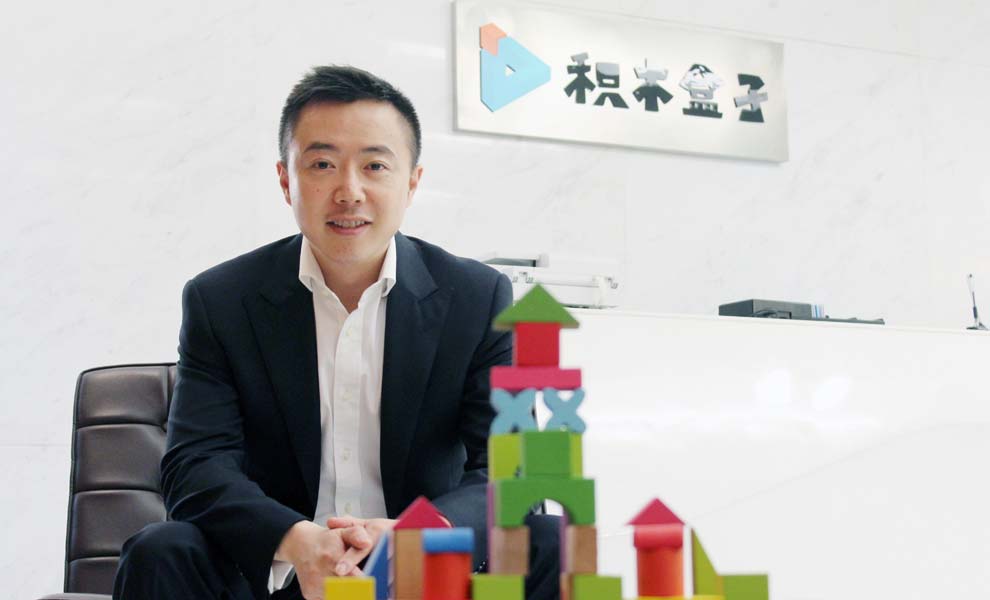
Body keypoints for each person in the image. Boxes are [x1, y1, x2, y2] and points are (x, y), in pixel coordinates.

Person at [112, 66, 560, 600]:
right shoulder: (222, 300)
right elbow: (196, 465)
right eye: (323, 164)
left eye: (375, 166)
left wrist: (422, 535)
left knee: (550, 541)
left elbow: (514, 469)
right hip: (285, 575)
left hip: (424, 575)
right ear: (286, 181)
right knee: (161, 549)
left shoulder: (478, 297)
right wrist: (299, 541)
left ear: (412, 182)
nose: (350, 191)